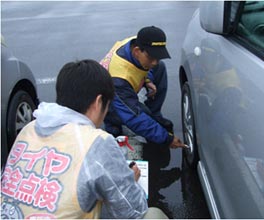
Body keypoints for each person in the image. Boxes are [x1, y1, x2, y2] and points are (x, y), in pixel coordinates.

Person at [1, 59, 167, 219]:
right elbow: (132, 211)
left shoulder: (29, 128)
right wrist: (130, 180)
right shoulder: (96, 141)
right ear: (98, 102)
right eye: (108, 107)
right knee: (153, 215)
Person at [100, 26, 185, 149]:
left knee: (159, 67)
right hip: (108, 101)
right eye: (151, 58)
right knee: (139, 116)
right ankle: (113, 131)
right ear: (136, 51)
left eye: (158, 56)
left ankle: (154, 115)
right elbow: (134, 117)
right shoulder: (119, 78)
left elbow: (143, 65)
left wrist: (147, 79)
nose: (155, 62)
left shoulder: (135, 42)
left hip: (123, 88)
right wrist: (166, 139)